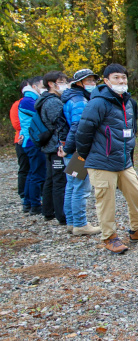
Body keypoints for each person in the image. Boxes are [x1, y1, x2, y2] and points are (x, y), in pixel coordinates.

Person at [76, 64, 138, 254]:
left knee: (136, 192)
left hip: (123, 161)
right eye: (116, 78)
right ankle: (109, 237)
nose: (121, 81)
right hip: (101, 161)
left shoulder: (129, 102)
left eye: (123, 78)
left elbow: (131, 130)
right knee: (106, 201)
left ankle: (137, 230)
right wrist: (84, 155)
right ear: (106, 81)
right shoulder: (98, 103)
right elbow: (83, 131)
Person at [62, 69, 102, 236]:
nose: (92, 84)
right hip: (79, 150)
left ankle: (72, 222)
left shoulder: (72, 98)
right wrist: (69, 148)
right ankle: (80, 224)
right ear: (79, 83)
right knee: (80, 187)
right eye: (88, 81)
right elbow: (77, 126)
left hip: (72, 149)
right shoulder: (79, 101)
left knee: (71, 185)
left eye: (93, 80)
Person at [36, 71, 70, 225]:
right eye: (61, 81)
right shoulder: (53, 102)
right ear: (51, 84)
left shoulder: (46, 100)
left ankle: (48, 210)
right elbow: (61, 124)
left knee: (51, 178)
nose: (64, 84)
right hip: (56, 147)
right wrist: (64, 144)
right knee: (59, 180)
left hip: (50, 146)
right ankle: (61, 214)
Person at [18, 77, 46, 216]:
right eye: (42, 85)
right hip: (33, 141)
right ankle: (35, 204)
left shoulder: (30, 99)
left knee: (32, 173)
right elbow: (42, 116)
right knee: (37, 173)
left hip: (30, 140)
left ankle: (28, 203)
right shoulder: (28, 101)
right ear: (34, 86)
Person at [10, 80, 30, 211]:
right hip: (21, 140)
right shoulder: (17, 105)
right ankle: (23, 195)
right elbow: (17, 125)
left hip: (32, 140)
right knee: (24, 168)